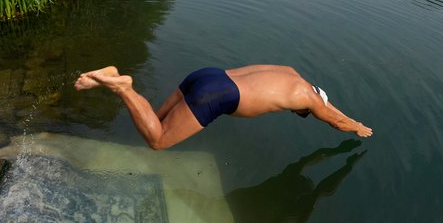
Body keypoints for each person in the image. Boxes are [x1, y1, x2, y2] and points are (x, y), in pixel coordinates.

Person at [74, 65, 373, 150]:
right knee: (158, 140)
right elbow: (334, 119)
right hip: (218, 95)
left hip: (208, 75)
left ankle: (113, 78)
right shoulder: (306, 99)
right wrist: (358, 127)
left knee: (154, 119)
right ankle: (122, 87)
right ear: (308, 106)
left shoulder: (291, 73)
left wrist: (338, 110)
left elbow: (326, 104)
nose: (300, 113)